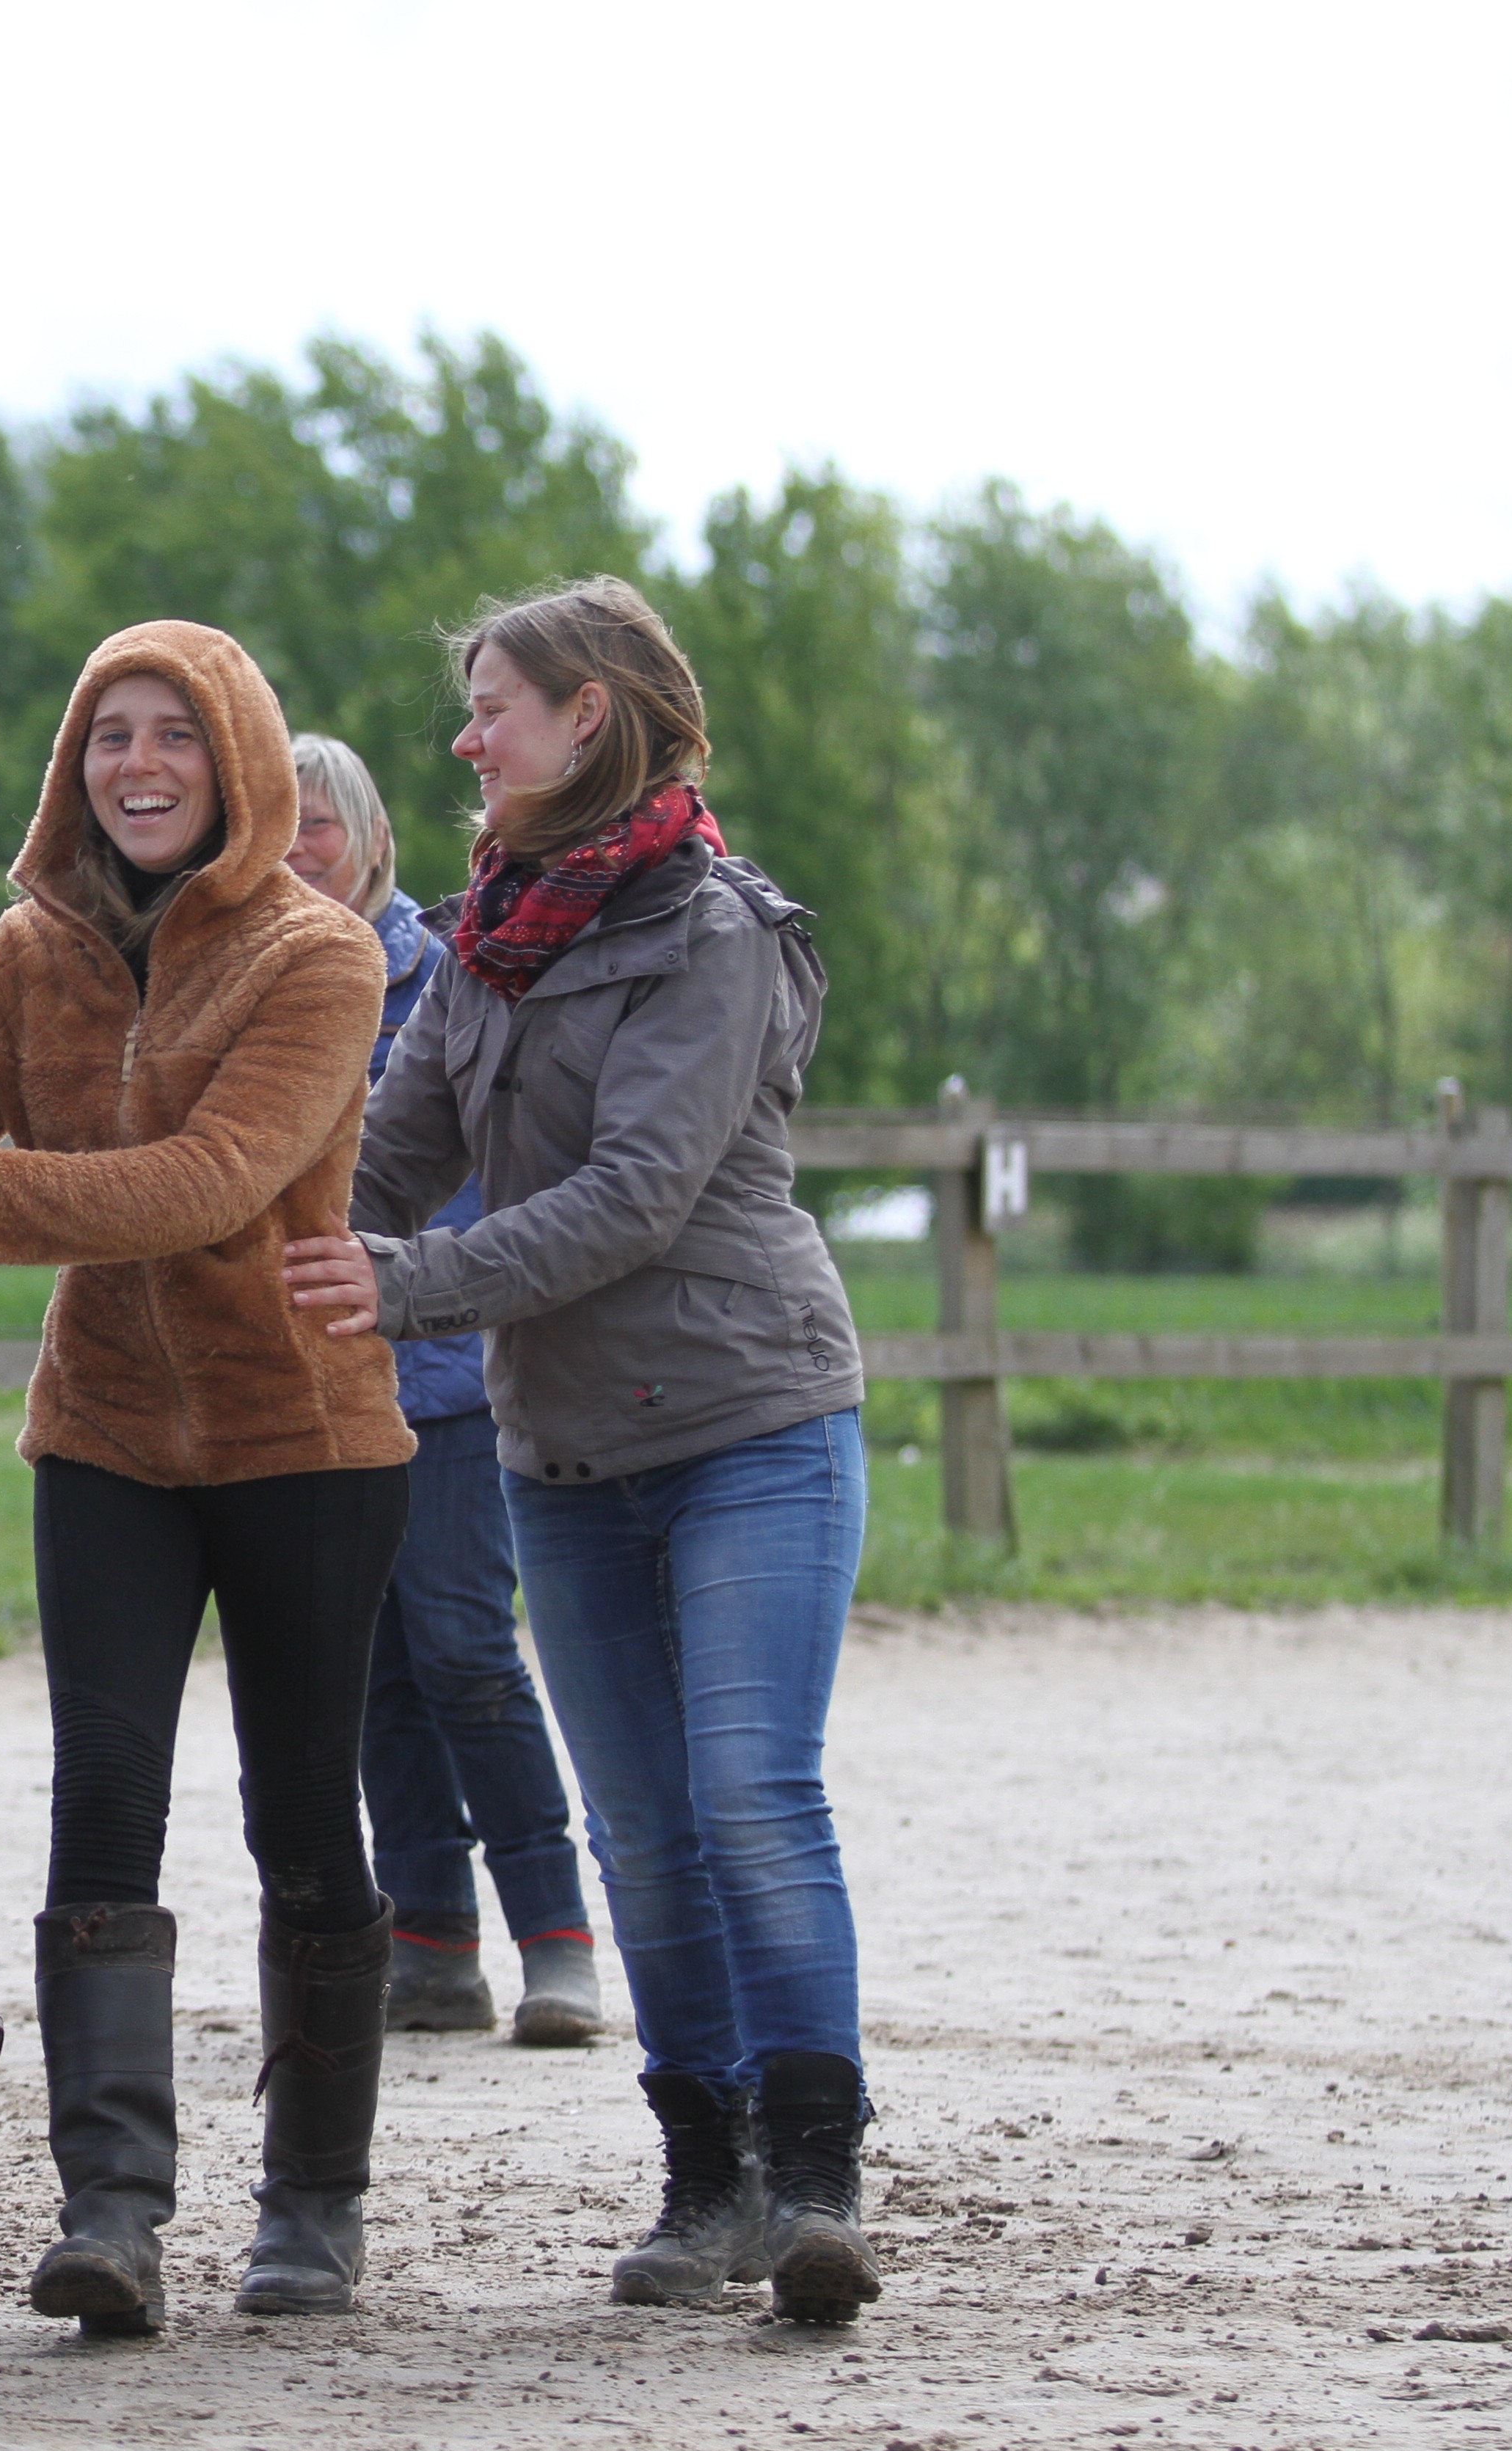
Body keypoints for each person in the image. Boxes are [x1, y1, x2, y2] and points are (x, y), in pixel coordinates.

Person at [283, 574, 883, 2326]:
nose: (466, 738)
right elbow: (389, 1150)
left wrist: (400, 1286)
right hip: (567, 1452)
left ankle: (819, 2178)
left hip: (751, 1420)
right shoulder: (488, 935)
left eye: (492, 706)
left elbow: (634, 1198)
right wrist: (238, 1235)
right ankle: (707, 2184)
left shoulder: (717, 934)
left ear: (588, 719)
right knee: (640, 1831)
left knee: (752, 1799)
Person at [0, 624, 409, 2334]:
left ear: (239, 763)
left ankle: (313, 2210)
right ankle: (112, 2212)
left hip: (305, 1438)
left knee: (298, 1815)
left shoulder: (320, 955)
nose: (137, 764)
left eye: (172, 738)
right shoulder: (19, 956)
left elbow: (217, 1179)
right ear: (75, 763)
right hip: (109, 1431)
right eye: (110, 734)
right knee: (102, 1797)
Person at [285, 734, 603, 2050]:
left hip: (448, 1372)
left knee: (467, 1651)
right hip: (313, 1385)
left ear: (369, 838)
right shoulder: (250, 981)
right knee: (371, 1672)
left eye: (319, 823)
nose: (298, 850)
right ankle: (430, 1932)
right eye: (276, 824)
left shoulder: (450, 973)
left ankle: (555, 1931)